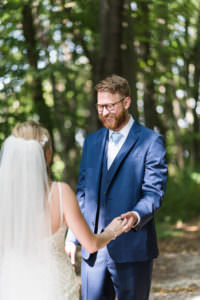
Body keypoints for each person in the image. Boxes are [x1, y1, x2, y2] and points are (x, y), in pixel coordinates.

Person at [65, 74, 168, 300]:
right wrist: (73, 236)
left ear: (126, 102)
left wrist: (136, 214)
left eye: (110, 106)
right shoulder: (91, 142)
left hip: (133, 249)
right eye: (100, 106)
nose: (104, 112)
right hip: (93, 251)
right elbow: (82, 194)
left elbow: (153, 192)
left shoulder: (151, 141)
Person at [0, 121, 127, 300]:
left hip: (12, 286)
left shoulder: (3, 198)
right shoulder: (60, 193)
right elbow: (91, 244)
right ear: (48, 154)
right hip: (55, 285)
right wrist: (112, 230)